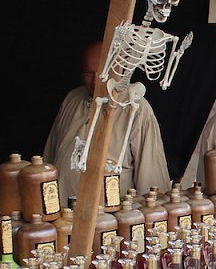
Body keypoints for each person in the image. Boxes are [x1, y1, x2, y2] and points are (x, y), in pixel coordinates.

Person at [44, 41, 171, 204]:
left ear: (118, 68)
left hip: (111, 216)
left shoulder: (136, 107)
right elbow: (50, 157)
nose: (95, 82)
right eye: (89, 73)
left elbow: (151, 176)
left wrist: (154, 211)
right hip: (63, 213)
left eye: (103, 72)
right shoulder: (72, 99)